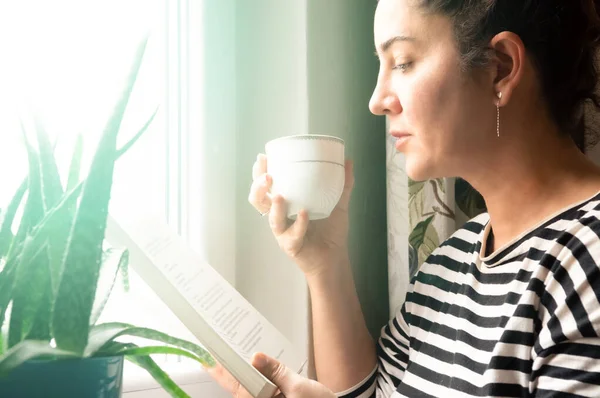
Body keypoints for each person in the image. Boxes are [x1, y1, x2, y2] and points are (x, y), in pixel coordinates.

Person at [209, 0, 600, 396]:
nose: (376, 100)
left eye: (402, 62)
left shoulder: (588, 264)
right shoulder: (453, 259)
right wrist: (323, 262)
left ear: (500, 67)